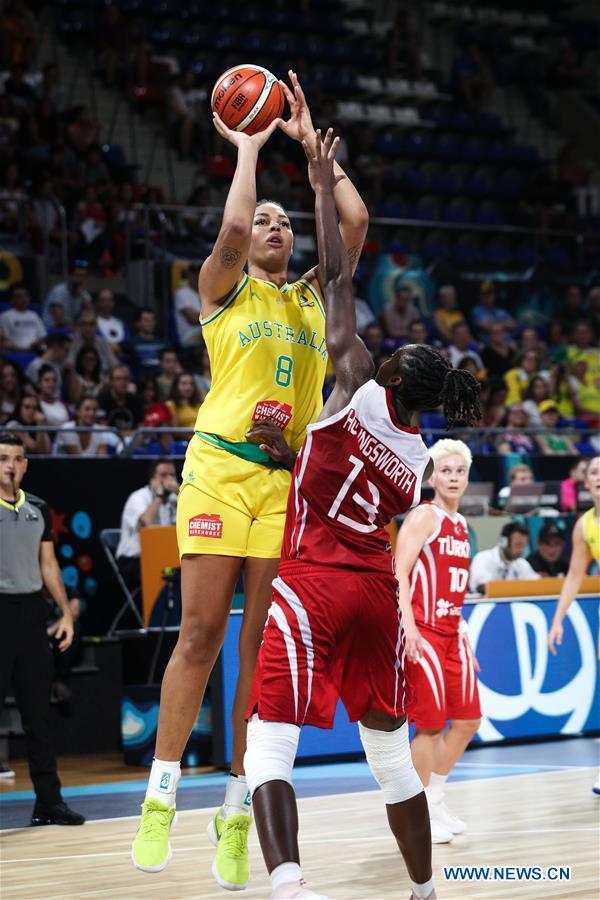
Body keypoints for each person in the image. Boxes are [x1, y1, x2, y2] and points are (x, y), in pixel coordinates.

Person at [130, 71, 370, 891]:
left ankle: (237, 808)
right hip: (220, 472)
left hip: (284, 488)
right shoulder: (223, 292)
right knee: (200, 635)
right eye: (261, 219)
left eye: (280, 222)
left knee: (262, 651)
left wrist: (312, 153)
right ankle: (161, 795)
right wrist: (248, 149)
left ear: (294, 243)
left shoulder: (313, 300)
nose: (269, 225)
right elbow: (232, 223)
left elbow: (356, 221)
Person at [242, 131, 481, 900]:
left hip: (311, 586)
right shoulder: (414, 459)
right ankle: (423, 890)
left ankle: (287, 885)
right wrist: (288, 451)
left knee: (266, 747)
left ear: (391, 373)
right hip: (376, 597)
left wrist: (318, 184)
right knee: (386, 757)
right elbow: (340, 486)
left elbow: (338, 272)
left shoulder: (351, 383)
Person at [396, 439, 481, 845]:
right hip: (425, 632)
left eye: (459, 471)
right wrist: (408, 627)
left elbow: (454, 586)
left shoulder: (463, 526)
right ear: (432, 476)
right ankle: (418, 813)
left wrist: (463, 631)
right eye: (445, 470)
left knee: (468, 720)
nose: (452, 477)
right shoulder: (423, 516)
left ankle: (435, 797)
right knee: (428, 726)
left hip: (454, 631)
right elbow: (399, 572)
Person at [0, 432, 84, 825]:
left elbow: (48, 565)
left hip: (32, 615)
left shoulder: (37, 507)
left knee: (39, 715)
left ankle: (48, 802)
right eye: (3, 458)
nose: (10, 465)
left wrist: (65, 613)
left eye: (17, 458)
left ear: (26, 465)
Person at [548, 455, 600, 793]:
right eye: (595, 472)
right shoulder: (585, 525)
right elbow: (574, 576)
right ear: (586, 480)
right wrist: (558, 618)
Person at [116, 460, 179, 591]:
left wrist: (180, 492)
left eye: (172, 475)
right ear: (153, 478)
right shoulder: (138, 497)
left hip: (163, 559)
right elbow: (147, 523)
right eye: (163, 475)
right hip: (133, 560)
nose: (169, 479)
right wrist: (160, 496)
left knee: (182, 572)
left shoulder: (174, 499)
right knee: (169, 574)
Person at [470, 523, 539, 593]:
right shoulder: (483, 558)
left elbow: (537, 584)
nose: (521, 550)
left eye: (524, 546)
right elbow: (482, 587)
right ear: (504, 542)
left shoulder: (522, 563)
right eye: (517, 545)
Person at [42, 261, 92, 329]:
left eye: (83, 276)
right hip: (53, 329)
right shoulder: (58, 291)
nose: (80, 279)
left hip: (71, 330)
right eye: (77, 275)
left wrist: (82, 295)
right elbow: (59, 319)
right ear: (70, 276)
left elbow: (92, 315)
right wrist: (76, 328)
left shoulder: (84, 294)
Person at [67, 311, 117, 376]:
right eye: (84, 324)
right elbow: (69, 365)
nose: (88, 328)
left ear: (96, 326)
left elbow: (114, 364)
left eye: (91, 324)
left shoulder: (102, 342)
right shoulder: (70, 341)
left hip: (103, 379)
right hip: (79, 379)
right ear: (78, 326)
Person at [97, 364, 143, 433]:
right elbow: (103, 428)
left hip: (131, 438)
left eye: (125, 379)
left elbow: (140, 427)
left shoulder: (136, 400)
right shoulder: (102, 399)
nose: (122, 382)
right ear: (111, 382)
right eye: (118, 379)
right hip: (109, 439)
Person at [0, 283, 46, 351]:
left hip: (36, 349)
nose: (24, 299)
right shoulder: (5, 316)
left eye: (26, 295)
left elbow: (42, 335)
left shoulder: (34, 315)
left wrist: (34, 344)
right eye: (20, 296)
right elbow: (4, 338)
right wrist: (19, 348)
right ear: (12, 300)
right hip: (15, 350)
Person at [130, 307, 168, 379]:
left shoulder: (164, 343)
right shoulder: (131, 343)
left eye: (152, 320)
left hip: (162, 380)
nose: (150, 323)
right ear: (138, 323)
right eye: (146, 320)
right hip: (142, 382)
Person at [174, 264, 202, 349]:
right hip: (190, 340)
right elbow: (193, 318)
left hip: (206, 338)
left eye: (200, 273)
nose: (197, 276)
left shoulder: (207, 292)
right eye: (195, 273)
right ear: (189, 275)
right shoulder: (182, 293)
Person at [95, 288, 126, 354]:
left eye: (110, 300)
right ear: (98, 302)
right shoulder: (92, 322)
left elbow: (128, 343)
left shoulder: (121, 322)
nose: (107, 303)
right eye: (103, 300)